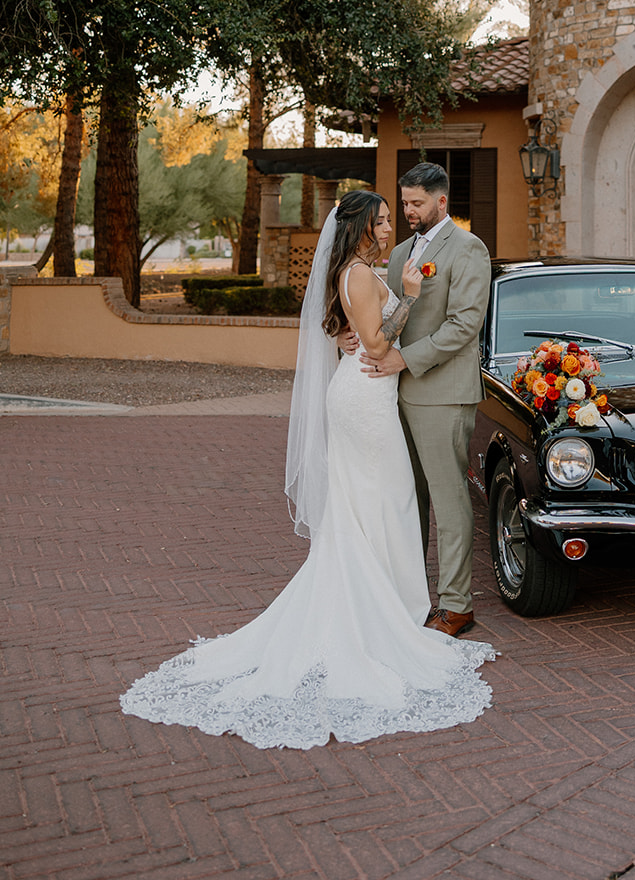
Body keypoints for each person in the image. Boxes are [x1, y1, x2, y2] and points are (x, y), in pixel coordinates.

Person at [119, 190, 494, 751]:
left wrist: (363, 327)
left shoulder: (355, 271)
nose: (391, 226)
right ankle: (382, 616)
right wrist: (410, 297)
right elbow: (375, 341)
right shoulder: (361, 275)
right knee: (384, 503)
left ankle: (387, 606)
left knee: (370, 507)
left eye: (394, 217)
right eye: (383, 220)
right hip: (366, 403)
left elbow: (348, 333)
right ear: (361, 227)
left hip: (361, 397)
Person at [355, 163, 491, 637]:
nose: (408, 212)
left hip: (443, 394)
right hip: (395, 394)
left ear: (442, 202)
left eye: (416, 204)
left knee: (449, 500)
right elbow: (392, 313)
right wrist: (364, 339)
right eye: (405, 203)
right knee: (407, 498)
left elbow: (463, 324)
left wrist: (402, 360)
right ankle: (412, 596)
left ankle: (456, 606)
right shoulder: (398, 255)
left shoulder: (470, 249)